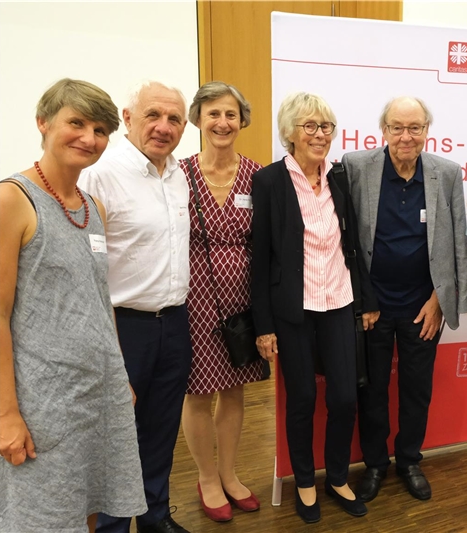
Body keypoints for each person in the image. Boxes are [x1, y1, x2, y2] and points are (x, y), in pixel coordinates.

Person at [0, 79, 146, 532]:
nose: (89, 138)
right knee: (39, 515)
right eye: (76, 123)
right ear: (43, 123)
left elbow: (100, 302)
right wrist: (5, 413)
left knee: (87, 505)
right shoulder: (12, 200)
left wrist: (119, 375)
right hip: (43, 400)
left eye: (101, 129)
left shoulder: (93, 208)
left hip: (98, 394)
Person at [250, 92, 379, 524]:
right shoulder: (269, 182)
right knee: (302, 398)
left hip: (339, 301)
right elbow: (262, 257)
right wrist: (263, 325)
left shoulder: (338, 179)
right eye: (310, 126)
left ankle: (337, 477)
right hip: (294, 310)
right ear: (289, 133)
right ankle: (304, 482)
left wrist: (365, 300)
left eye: (326, 127)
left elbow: (352, 245)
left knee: (344, 398)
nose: (320, 134)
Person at [342, 96, 467, 503]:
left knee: (417, 388)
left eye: (415, 128)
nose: (406, 136)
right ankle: (376, 464)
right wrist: (361, 300)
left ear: (426, 131)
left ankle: (409, 460)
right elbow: (344, 237)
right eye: (397, 127)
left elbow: (454, 240)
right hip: (372, 306)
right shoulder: (356, 167)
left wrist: (440, 298)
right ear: (382, 130)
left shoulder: (446, 174)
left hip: (423, 307)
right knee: (373, 390)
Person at [79, 81, 193, 533]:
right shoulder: (101, 175)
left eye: (174, 120)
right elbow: (88, 266)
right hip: (123, 326)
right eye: (153, 116)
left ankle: (154, 515)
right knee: (116, 437)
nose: (163, 128)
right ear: (128, 117)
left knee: (163, 429)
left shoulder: (178, 173)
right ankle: (110, 526)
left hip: (174, 321)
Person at [179, 82, 266, 523]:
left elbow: (268, 244)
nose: (223, 123)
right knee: (197, 393)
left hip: (242, 302)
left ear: (242, 120)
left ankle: (230, 474)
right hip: (192, 299)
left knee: (233, 391)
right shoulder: (177, 173)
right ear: (198, 119)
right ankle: (207, 477)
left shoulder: (259, 175)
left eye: (231, 114)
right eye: (213, 113)